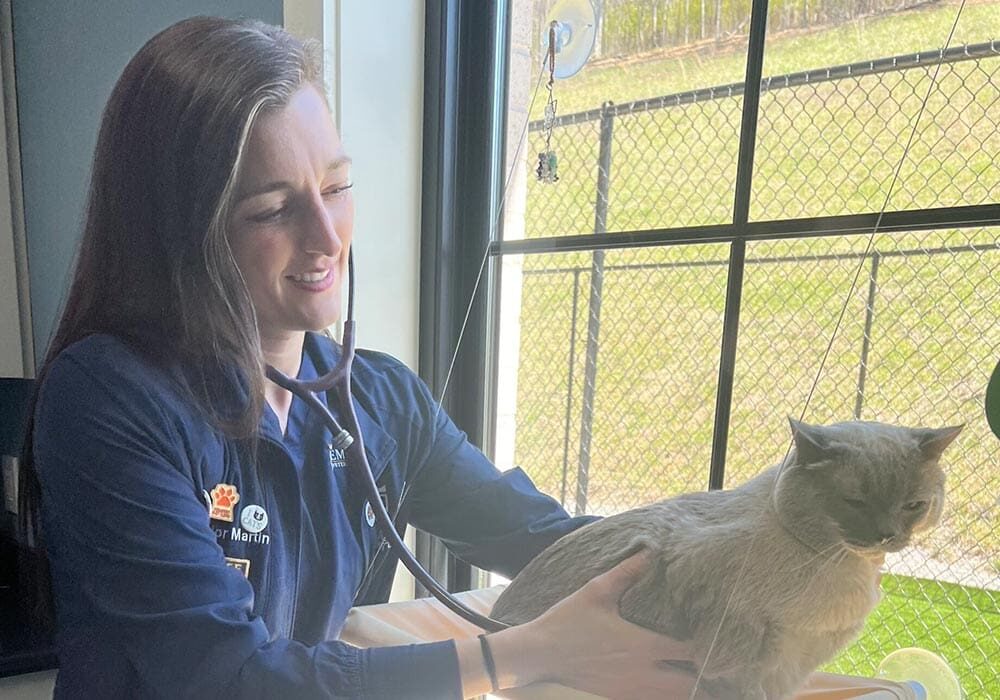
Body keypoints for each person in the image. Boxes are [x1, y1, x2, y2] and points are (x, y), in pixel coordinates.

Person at [19, 16, 705, 699]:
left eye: (337, 188)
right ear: (179, 234)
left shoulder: (380, 400)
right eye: (272, 209)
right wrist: (514, 657)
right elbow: (224, 678)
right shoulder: (106, 399)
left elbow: (541, 539)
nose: (326, 237)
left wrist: (735, 551)